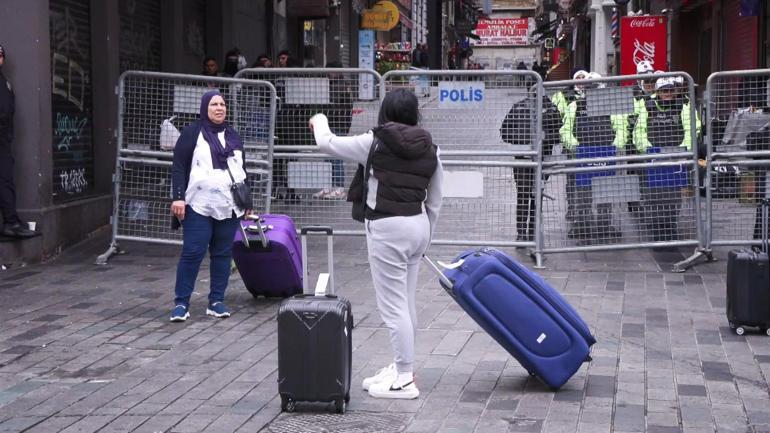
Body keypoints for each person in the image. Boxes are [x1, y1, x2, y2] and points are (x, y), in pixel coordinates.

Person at [308, 89, 443, 399]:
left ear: (385, 111)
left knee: (393, 307)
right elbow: (435, 200)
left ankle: (404, 378)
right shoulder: (431, 148)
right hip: (418, 225)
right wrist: (426, 235)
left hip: (386, 228)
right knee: (406, 301)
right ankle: (400, 367)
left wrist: (320, 119)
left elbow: (327, 143)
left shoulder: (374, 141)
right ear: (415, 113)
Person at [169, 90, 249, 322]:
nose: (219, 108)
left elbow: (242, 169)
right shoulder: (192, 132)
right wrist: (178, 197)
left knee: (222, 254)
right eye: (214, 104)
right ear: (205, 107)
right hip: (198, 204)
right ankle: (181, 303)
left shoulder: (233, 135)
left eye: (222, 104)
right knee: (193, 252)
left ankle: (216, 301)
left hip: (228, 204)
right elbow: (179, 165)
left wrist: (248, 202)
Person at [561, 72, 628, 242]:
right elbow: (565, 130)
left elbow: (621, 128)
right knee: (583, 195)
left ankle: (604, 228)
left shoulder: (612, 106)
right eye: (590, 89)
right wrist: (574, 146)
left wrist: (615, 146)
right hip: (583, 155)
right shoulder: (575, 106)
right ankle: (583, 228)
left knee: (605, 196)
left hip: (605, 154)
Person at [633, 77, 699, 242]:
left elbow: (693, 127)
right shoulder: (646, 105)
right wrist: (647, 149)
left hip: (676, 155)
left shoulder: (683, 105)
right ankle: (657, 226)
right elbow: (639, 130)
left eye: (670, 90)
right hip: (653, 156)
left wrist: (685, 149)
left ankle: (670, 225)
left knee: (674, 195)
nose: (668, 94)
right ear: (658, 91)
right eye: (664, 90)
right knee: (654, 194)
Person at [501, 88, 560, 242]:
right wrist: (525, 138)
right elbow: (505, 132)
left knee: (536, 195)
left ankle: (533, 232)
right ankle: (522, 233)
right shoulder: (519, 107)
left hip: (542, 158)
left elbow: (558, 133)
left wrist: (544, 137)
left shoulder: (551, 109)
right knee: (524, 195)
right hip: (523, 159)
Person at [0, 44, 35, 239]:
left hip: (3, 141)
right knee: (4, 179)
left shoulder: (4, 81)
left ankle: (11, 221)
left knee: (5, 179)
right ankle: (11, 222)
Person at [314, 60, 353, 199]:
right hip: (328, 124)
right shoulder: (327, 85)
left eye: (332, 70)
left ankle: (339, 187)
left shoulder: (342, 86)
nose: (329, 74)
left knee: (336, 157)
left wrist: (345, 127)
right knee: (327, 157)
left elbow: (347, 109)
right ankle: (327, 187)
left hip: (338, 125)